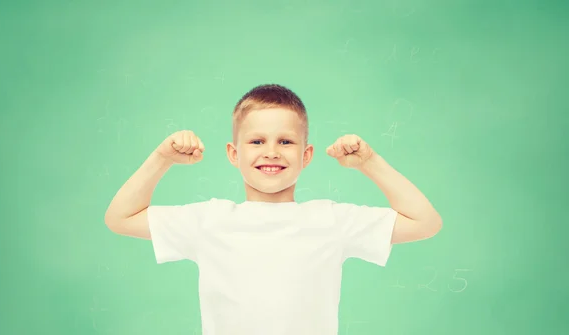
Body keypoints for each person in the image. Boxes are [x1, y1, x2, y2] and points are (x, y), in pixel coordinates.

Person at [104, 84, 442, 335]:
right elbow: (119, 217)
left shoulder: (331, 220)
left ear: (306, 155)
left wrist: (369, 162)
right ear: (233, 154)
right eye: (256, 141)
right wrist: (162, 159)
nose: (271, 152)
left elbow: (425, 222)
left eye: (285, 141)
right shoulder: (209, 220)